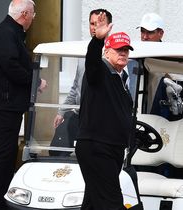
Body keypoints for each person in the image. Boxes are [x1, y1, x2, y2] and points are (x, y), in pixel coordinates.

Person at [0, 0, 46, 209]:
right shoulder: (7, 32)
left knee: (6, 152)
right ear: (24, 14)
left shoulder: (9, 32)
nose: (34, 18)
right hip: (3, 103)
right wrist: (35, 81)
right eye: (33, 14)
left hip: (4, 103)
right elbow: (10, 65)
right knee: (3, 152)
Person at [75, 11, 134, 210]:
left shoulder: (122, 80)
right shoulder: (99, 71)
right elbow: (91, 62)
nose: (123, 53)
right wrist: (97, 40)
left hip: (111, 149)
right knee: (111, 203)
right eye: (118, 49)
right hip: (97, 147)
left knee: (93, 202)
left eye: (126, 49)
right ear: (107, 51)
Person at [53, 8, 112, 128]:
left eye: (100, 23)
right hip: (81, 117)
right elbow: (76, 87)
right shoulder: (84, 54)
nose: (96, 27)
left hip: (103, 120)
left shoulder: (115, 54)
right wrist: (62, 111)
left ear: (108, 26)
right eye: (92, 23)